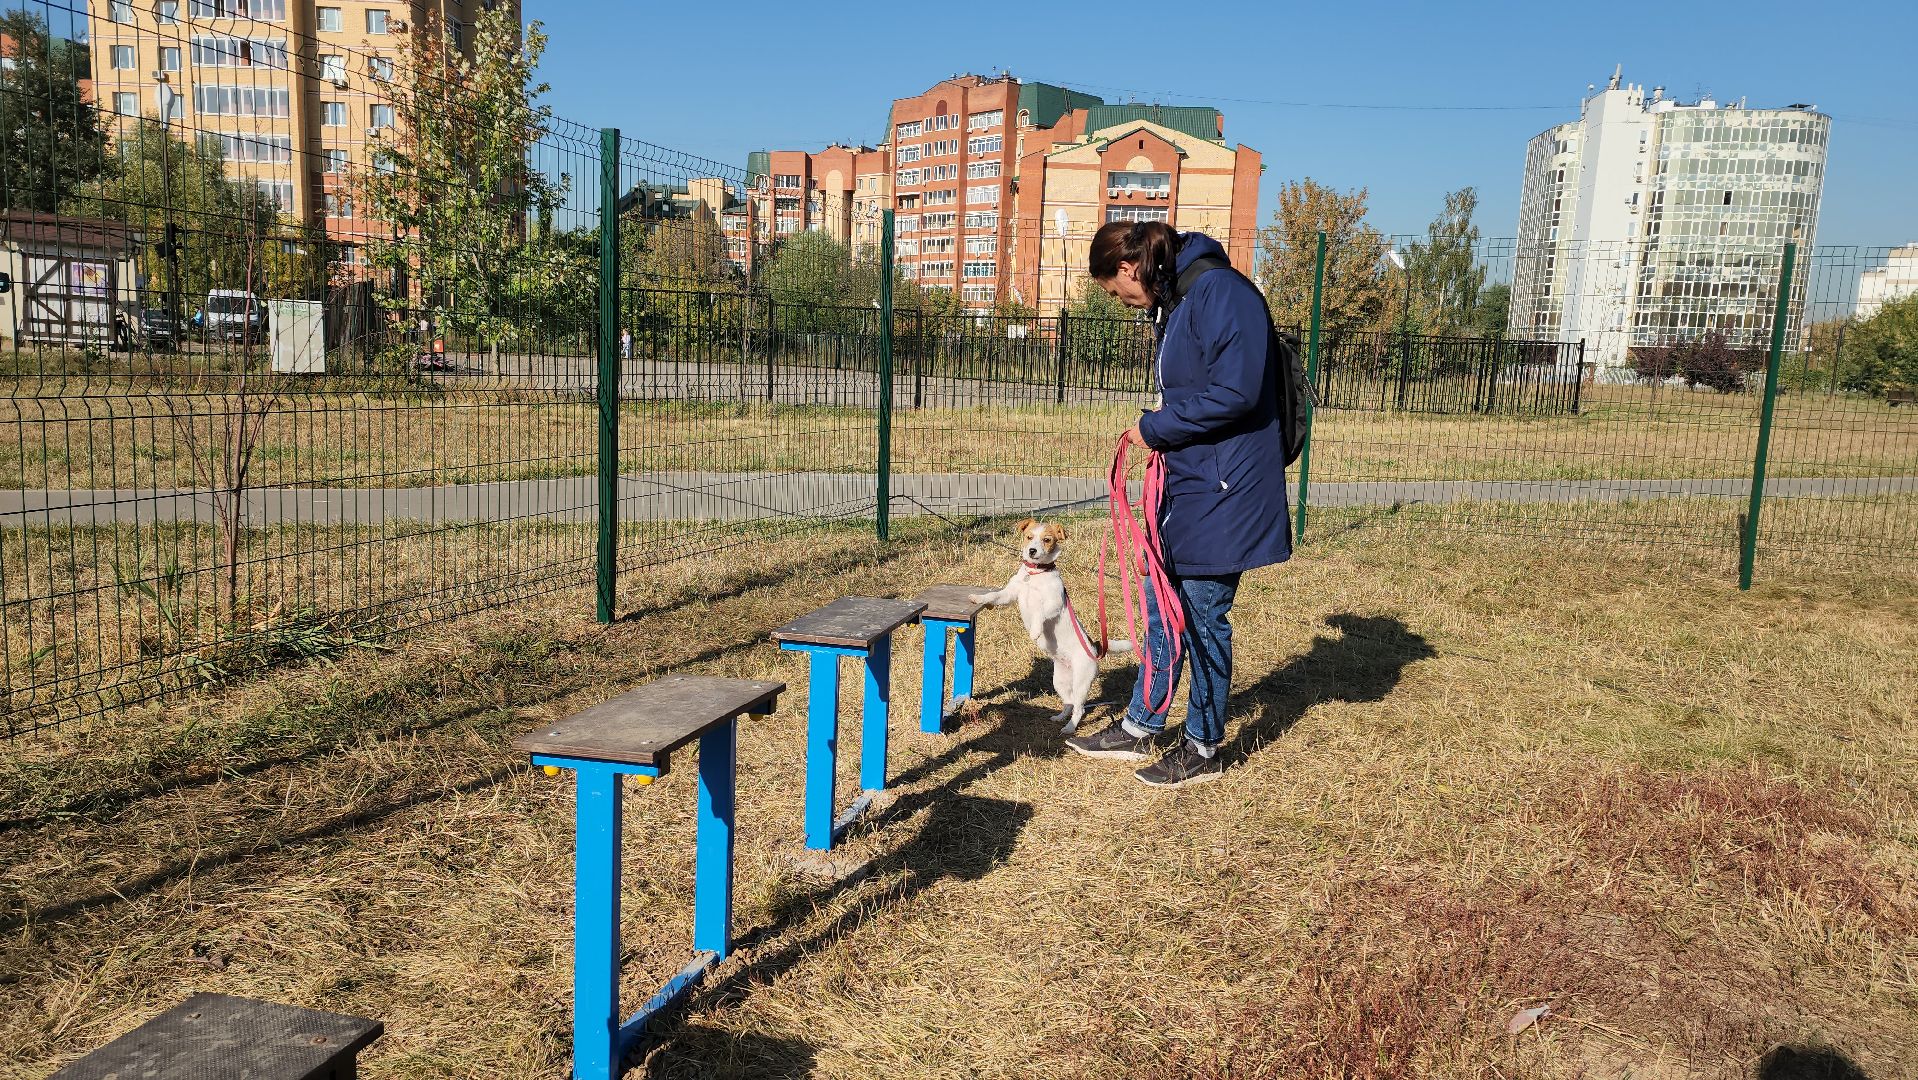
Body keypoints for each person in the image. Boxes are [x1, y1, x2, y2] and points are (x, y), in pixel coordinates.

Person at [1064, 220, 1291, 787]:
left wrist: (1158, 426)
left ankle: (1204, 744)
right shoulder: (1181, 299)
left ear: (1128, 267)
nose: (1121, 302)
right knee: (1161, 600)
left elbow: (1237, 393)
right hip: (1188, 482)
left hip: (1226, 487)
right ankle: (1143, 721)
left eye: (1117, 292)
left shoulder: (1224, 293)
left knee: (1203, 615)